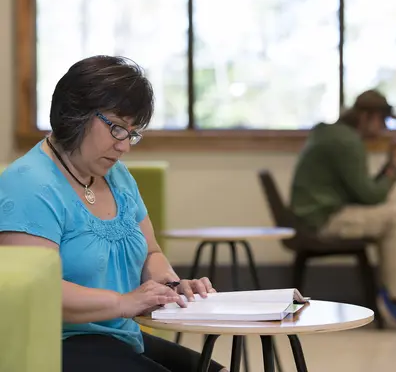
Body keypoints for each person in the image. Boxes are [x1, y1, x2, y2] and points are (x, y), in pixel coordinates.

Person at [0, 55, 227, 371]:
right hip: (52, 344)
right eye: (117, 128)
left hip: (117, 335)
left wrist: (171, 287)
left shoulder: (118, 176)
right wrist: (124, 302)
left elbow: (151, 253)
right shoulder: (28, 183)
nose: (125, 146)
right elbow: (34, 292)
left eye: (132, 133)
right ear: (74, 115)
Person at [290, 89, 396, 325]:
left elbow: (363, 193)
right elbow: (369, 196)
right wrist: (393, 169)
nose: (383, 128)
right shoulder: (346, 141)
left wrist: (390, 167)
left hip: (314, 215)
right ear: (367, 117)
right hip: (322, 220)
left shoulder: (331, 133)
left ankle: (390, 290)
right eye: (382, 120)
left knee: (394, 209)